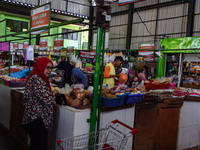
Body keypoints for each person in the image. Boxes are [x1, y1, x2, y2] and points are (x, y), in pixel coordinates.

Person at [23, 57, 59, 150]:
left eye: (51, 68)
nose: (49, 70)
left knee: (35, 146)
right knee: (41, 146)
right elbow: (47, 99)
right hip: (36, 120)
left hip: (34, 119)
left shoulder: (39, 78)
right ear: (41, 66)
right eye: (47, 67)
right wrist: (54, 92)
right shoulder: (37, 79)